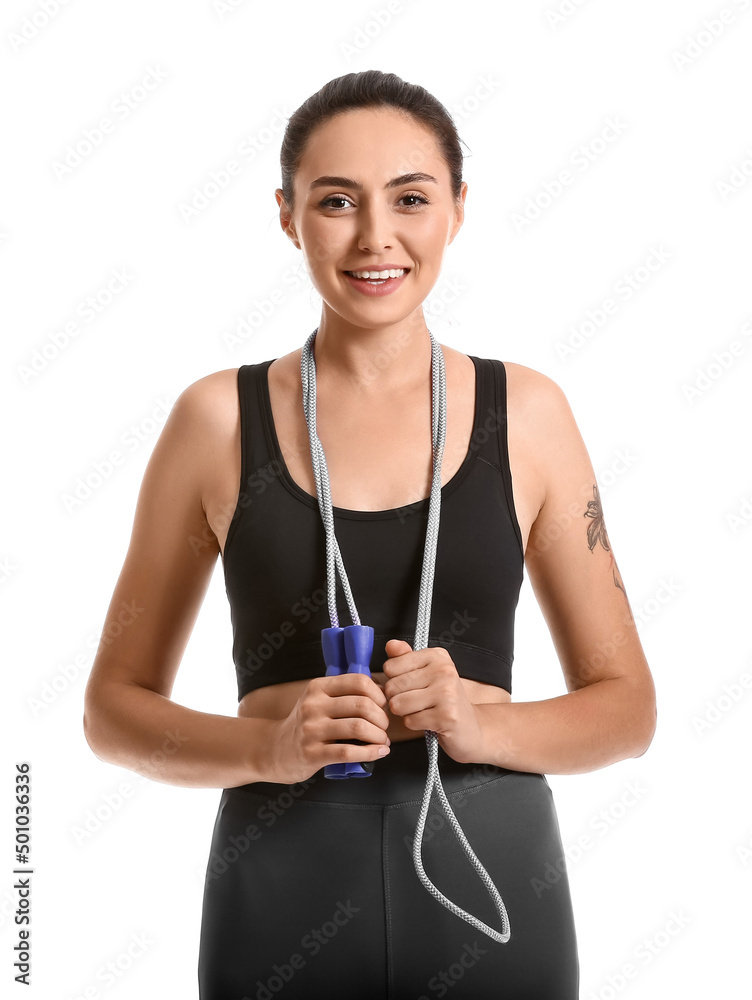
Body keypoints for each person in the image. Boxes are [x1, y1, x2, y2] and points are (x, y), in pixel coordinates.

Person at [83, 69, 657, 999]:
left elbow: (628, 711)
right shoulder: (215, 423)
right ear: (287, 215)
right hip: (279, 897)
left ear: (459, 210)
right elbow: (113, 710)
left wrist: (483, 721)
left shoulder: (533, 415)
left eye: (412, 198)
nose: (375, 236)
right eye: (337, 201)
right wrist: (268, 751)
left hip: (494, 890)